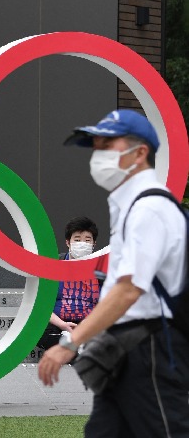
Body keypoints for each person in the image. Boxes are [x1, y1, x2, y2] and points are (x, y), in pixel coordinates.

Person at [38, 109, 189, 436]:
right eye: (96, 145)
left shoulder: (149, 208)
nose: (98, 154)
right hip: (126, 347)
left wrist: (71, 342)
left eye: (108, 144)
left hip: (151, 348)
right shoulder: (131, 205)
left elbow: (128, 290)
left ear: (140, 153)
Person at [36, 216, 101, 350]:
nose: (82, 243)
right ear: (68, 242)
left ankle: (70, 345)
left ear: (94, 244)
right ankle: (79, 345)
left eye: (87, 240)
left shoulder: (103, 270)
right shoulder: (53, 266)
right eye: (77, 239)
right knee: (37, 331)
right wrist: (61, 324)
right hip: (58, 323)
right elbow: (42, 304)